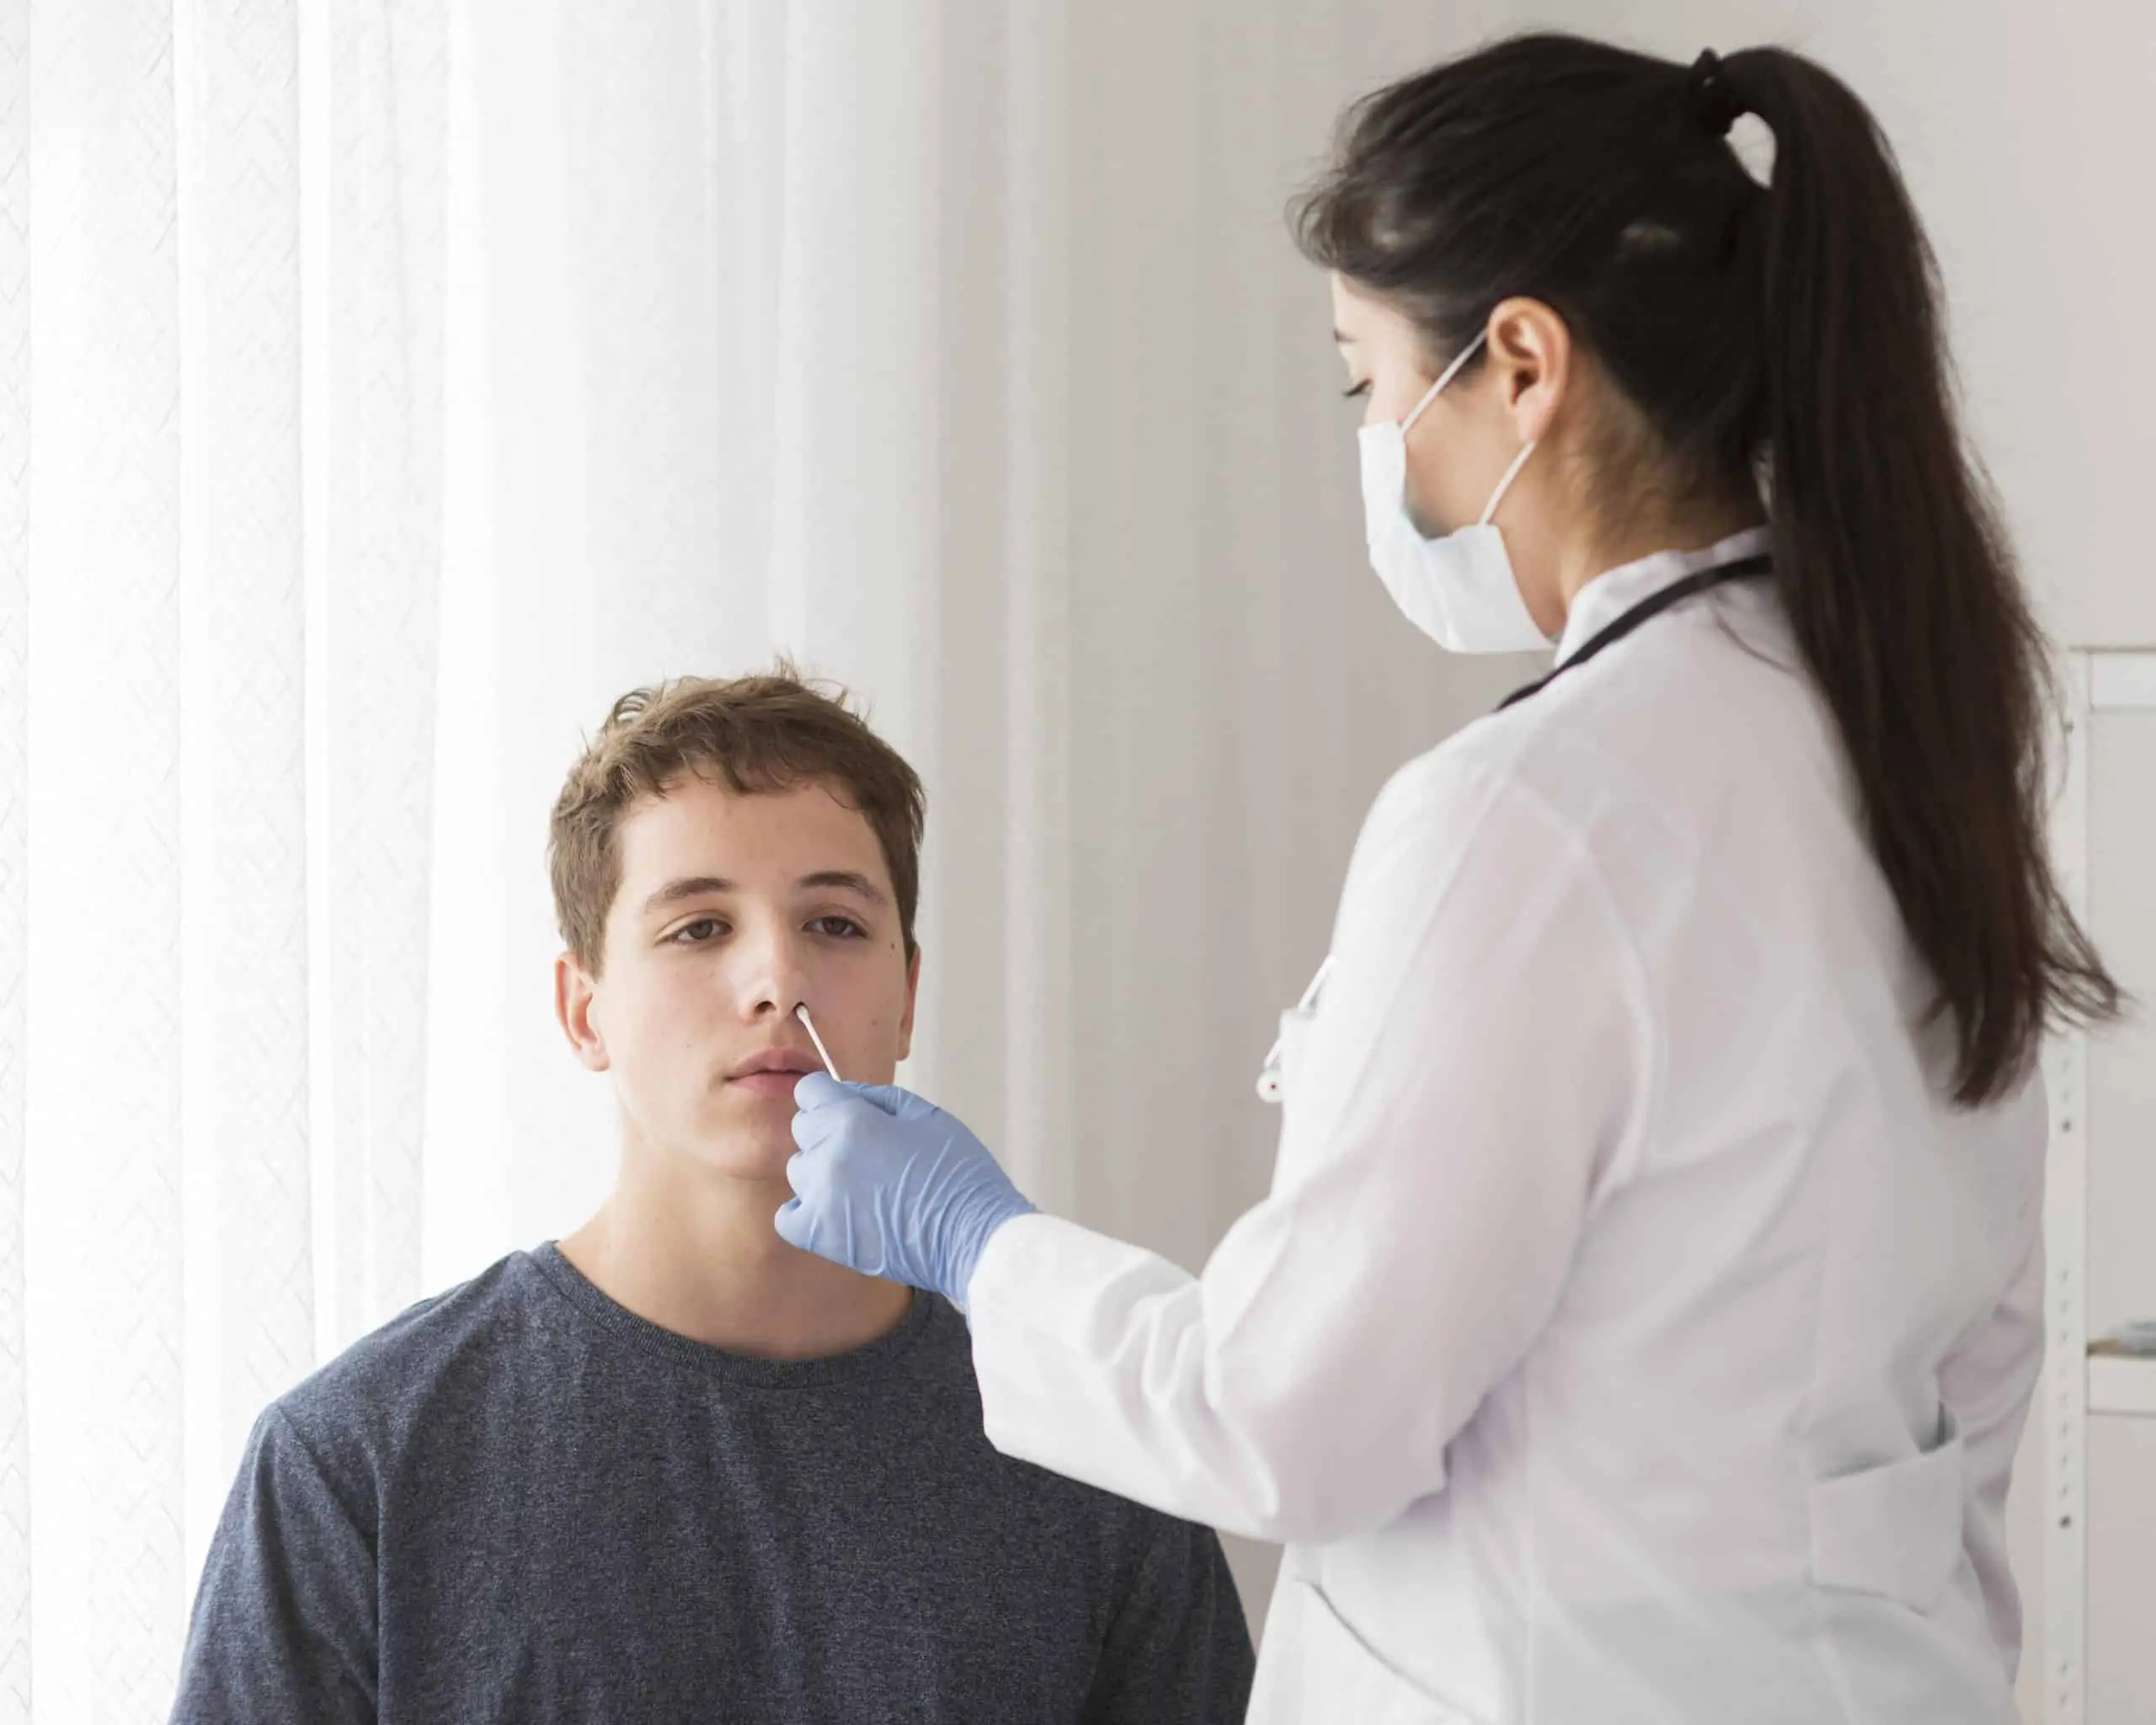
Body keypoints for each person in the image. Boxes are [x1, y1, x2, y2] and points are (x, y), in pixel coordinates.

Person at [776, 34, 2124, 1725]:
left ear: (1522, 364)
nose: (1379, 449)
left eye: (1369, 386)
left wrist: (979, 1246)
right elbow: (1972, 1384)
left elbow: (1286, 1421)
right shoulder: (1915, 752)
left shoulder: (1533, 813)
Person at [169, 670, 1255, 1724]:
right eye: (699, 927)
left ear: (908, 995)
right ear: (583, 1010)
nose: (778, 980)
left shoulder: (1097, 1447)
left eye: (835, 924)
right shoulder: (356, 1462)